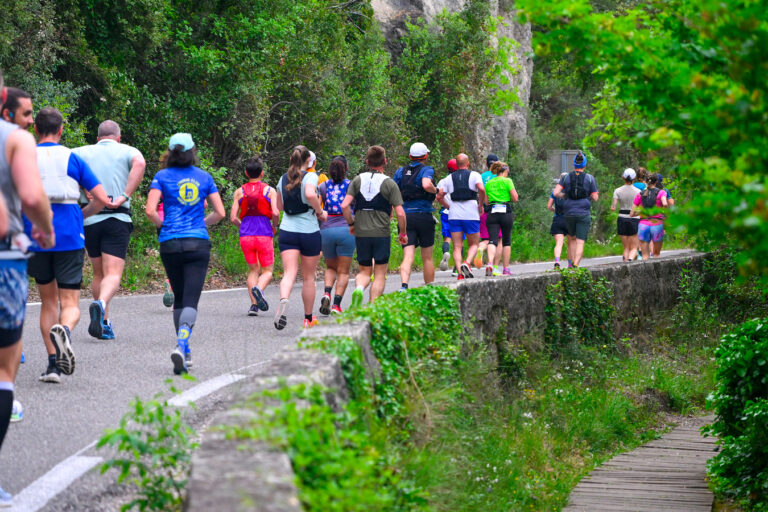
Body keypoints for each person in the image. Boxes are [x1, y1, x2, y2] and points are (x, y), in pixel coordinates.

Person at [0, 73, 57, 506]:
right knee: (5, 371)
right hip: (5, 258)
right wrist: (45, 230)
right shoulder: (14, 140)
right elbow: (32, 198)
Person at [27, 107, 111, 384]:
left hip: (36, 235)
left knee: (47, 300)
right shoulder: (71, 157)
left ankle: (53, 366)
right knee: (70, 301)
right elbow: (101, 198)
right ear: (61, 130)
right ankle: (65, 329)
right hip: (69, 234)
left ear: (35, 130)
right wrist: (82, 215)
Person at [145, 133, 224, 374]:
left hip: (170, 242)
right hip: (197, 243)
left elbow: (150, 210)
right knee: (191, 299)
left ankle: (185, 351)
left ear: (170, 152)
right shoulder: (204, 177)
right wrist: (202, 222)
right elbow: (220, 212)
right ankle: (181, 344)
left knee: (179, 297)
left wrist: (162, 225)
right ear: (192, 151)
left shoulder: (161, 177)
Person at [73, 120, 146, 340]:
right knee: (113, 274)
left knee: (99, 273)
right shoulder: (128, 151)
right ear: (118, 137)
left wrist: (86, 188)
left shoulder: (79, 152)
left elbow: (66, 170)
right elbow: (140, 164)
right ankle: (101, 305)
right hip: (117, 216)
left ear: (97, 138)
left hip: (90, 218)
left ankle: (104, 322)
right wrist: (125, 195)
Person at [342, 145, 406, 306]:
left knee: (364, 271)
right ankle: (372, 307)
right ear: (385, 161)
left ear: (367, 161)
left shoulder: (357, 180)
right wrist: (403, 233)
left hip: (361, 232)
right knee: (379, 273)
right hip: (381, 233)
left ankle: (359, 288)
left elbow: (344, 206)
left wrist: (351, 224)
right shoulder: (389, 183)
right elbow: (400, 213)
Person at [274, 145, 328, 329]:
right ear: (308, 161)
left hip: (288, 231)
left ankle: (283, 300)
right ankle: (307, 318)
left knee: (289, 272)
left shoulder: (282, 178)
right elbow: (310, 194)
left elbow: (279, 207)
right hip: (309, 232)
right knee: (308, 278)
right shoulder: (311, 176)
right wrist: (320, 211)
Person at [229, 157, 279, 316]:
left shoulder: (239, 191)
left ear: (246, 173)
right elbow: (276, 212)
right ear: (262, 173)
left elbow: (232, 218)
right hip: (264, 233)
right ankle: (259, 289)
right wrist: (274, 226)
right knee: (267, 270)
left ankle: (254, 306)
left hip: (246, 236)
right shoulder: (269, 191)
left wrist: (242, 226)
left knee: (253, 270)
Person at [393, 142, 437, 291]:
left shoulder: (400, 172)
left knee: (408, 254)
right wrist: (435, 190)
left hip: (406, 216)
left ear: (410, 156)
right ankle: (429, 290)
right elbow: (426, 185)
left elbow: (393, 190)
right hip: (424, 215)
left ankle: (404, 285)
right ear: (425, 156)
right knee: (427, 257)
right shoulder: (427, 170)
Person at [436, 153, 485, 279]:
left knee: (457, 246)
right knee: (474, 244)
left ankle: (459, 273)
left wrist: (447, 206)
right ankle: (467, 263)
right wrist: (480, 204)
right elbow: (481, 189)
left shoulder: (448, 178)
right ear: (468, 163)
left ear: (457, 165)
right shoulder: (474, 175)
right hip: (471, 213)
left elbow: (439, 196)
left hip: (454, 214)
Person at [317, 156, 355, 315]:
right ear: (346, 168)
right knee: (343, 271)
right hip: (347, 229)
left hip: (327, 230)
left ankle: (326, 292)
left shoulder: (323, 186)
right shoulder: (352, 186)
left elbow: (318, 211)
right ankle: (336, 305)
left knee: (331, 267)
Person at [552, 151, 598, 268]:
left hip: (568, 213)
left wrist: (564, 196)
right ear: (585, 165)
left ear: (574, 164)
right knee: (580, 240)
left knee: (571, 238)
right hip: (583, 213)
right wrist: (589, 196)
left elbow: (556, 192)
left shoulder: (566, 177)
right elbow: (595, 197)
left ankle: (570, 265)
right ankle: (576, 263)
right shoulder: (590, 178)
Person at [483, 161, 518, 276]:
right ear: (504, 171)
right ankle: (506, 269)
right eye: (507, 172)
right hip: (505, 212)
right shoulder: (507, 181)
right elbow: (515, 198)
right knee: (506, 241)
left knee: (492, 240)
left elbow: (486, 201)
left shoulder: (489, 183)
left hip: (492, 213)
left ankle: (489, 264)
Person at [631, 172, 668, 259]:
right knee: (656, 254)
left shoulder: (640, 194)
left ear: (646, 181)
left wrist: (642, 211)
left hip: (643, 224)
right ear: (656, 182)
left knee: (645, 255)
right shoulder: (661, 192)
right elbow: (665, 204)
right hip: (657, 224)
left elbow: (632, 213)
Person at [476, 153, 500, 269]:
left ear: (486, 164)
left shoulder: (481, 176)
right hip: (498, 210)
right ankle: (494, 266)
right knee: (498, 240)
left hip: (484, 211)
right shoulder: (500, 177)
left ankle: (480, 248)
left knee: (486, 239)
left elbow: (479, 192)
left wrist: (480, 206)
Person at [611, 168, 640, 262]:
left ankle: (625, 262)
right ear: (634, 178)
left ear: (623, 177)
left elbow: (613, 207)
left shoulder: (617, 190)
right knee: (634, 248)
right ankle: (630, 261)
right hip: (634, 218)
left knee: (626, 247)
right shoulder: (638, 192)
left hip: (622, 218)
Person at [438, 158, 458, 273]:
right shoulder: (461, 180)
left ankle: (446, 252)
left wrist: (446, 205)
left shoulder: (442, 181)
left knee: (447, 237)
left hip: (446, 212)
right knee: (458, 241)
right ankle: (456, 268)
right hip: (458, 212)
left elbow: (438, 196)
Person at [546, 173, 569, 269]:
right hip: (569, 219)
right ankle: (571, 263)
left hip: (558, 219)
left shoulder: (554, 192)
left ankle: (557, 261)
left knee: (559, 243)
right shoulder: (570, 191)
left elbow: (549, 206)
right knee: (571, 243)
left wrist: (556, 211)